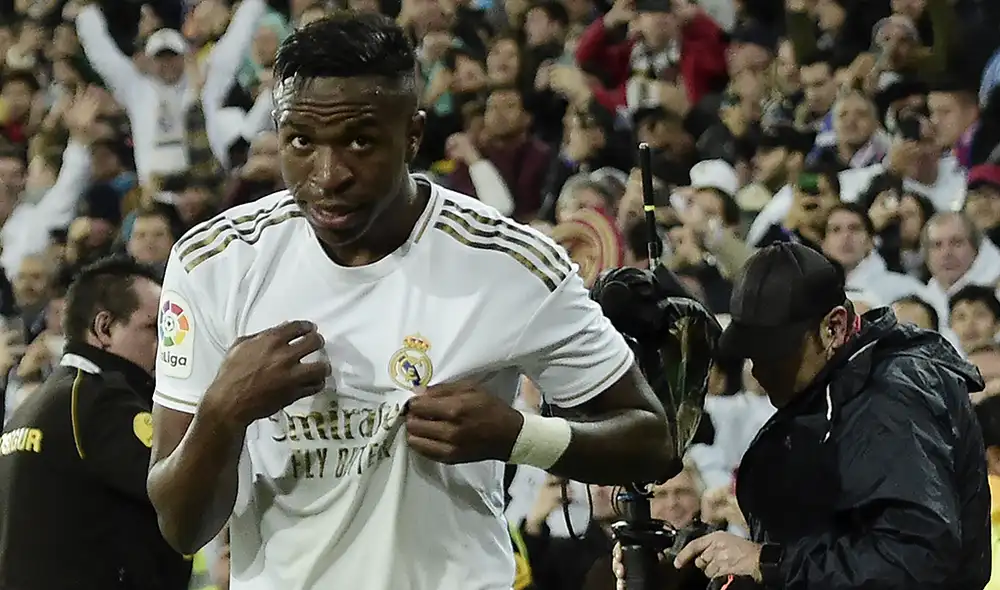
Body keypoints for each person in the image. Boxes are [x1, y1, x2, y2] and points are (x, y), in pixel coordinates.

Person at [147, 12, 673, 590]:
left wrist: (516, 436)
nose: (328, 175)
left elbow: (652, 441)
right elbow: (178, 527)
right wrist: (224, 412)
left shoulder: (509, 263)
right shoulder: (215, 264)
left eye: (360, 141)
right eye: (301, 140)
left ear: (413, 137)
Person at [615, 242, 991, 588]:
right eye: (752, 357)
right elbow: (817, 542)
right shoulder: (837, 386)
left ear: (834, 326)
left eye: (776, 355)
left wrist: (768, 562)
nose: (760, 373)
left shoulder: (892, 397)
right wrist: (691, 554)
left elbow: (915, 562)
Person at [0, 256, 191, 590]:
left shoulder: (29, 408)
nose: (166, 346)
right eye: (154, 328)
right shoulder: (100, 399)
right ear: (104, 328)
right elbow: (184, 490)